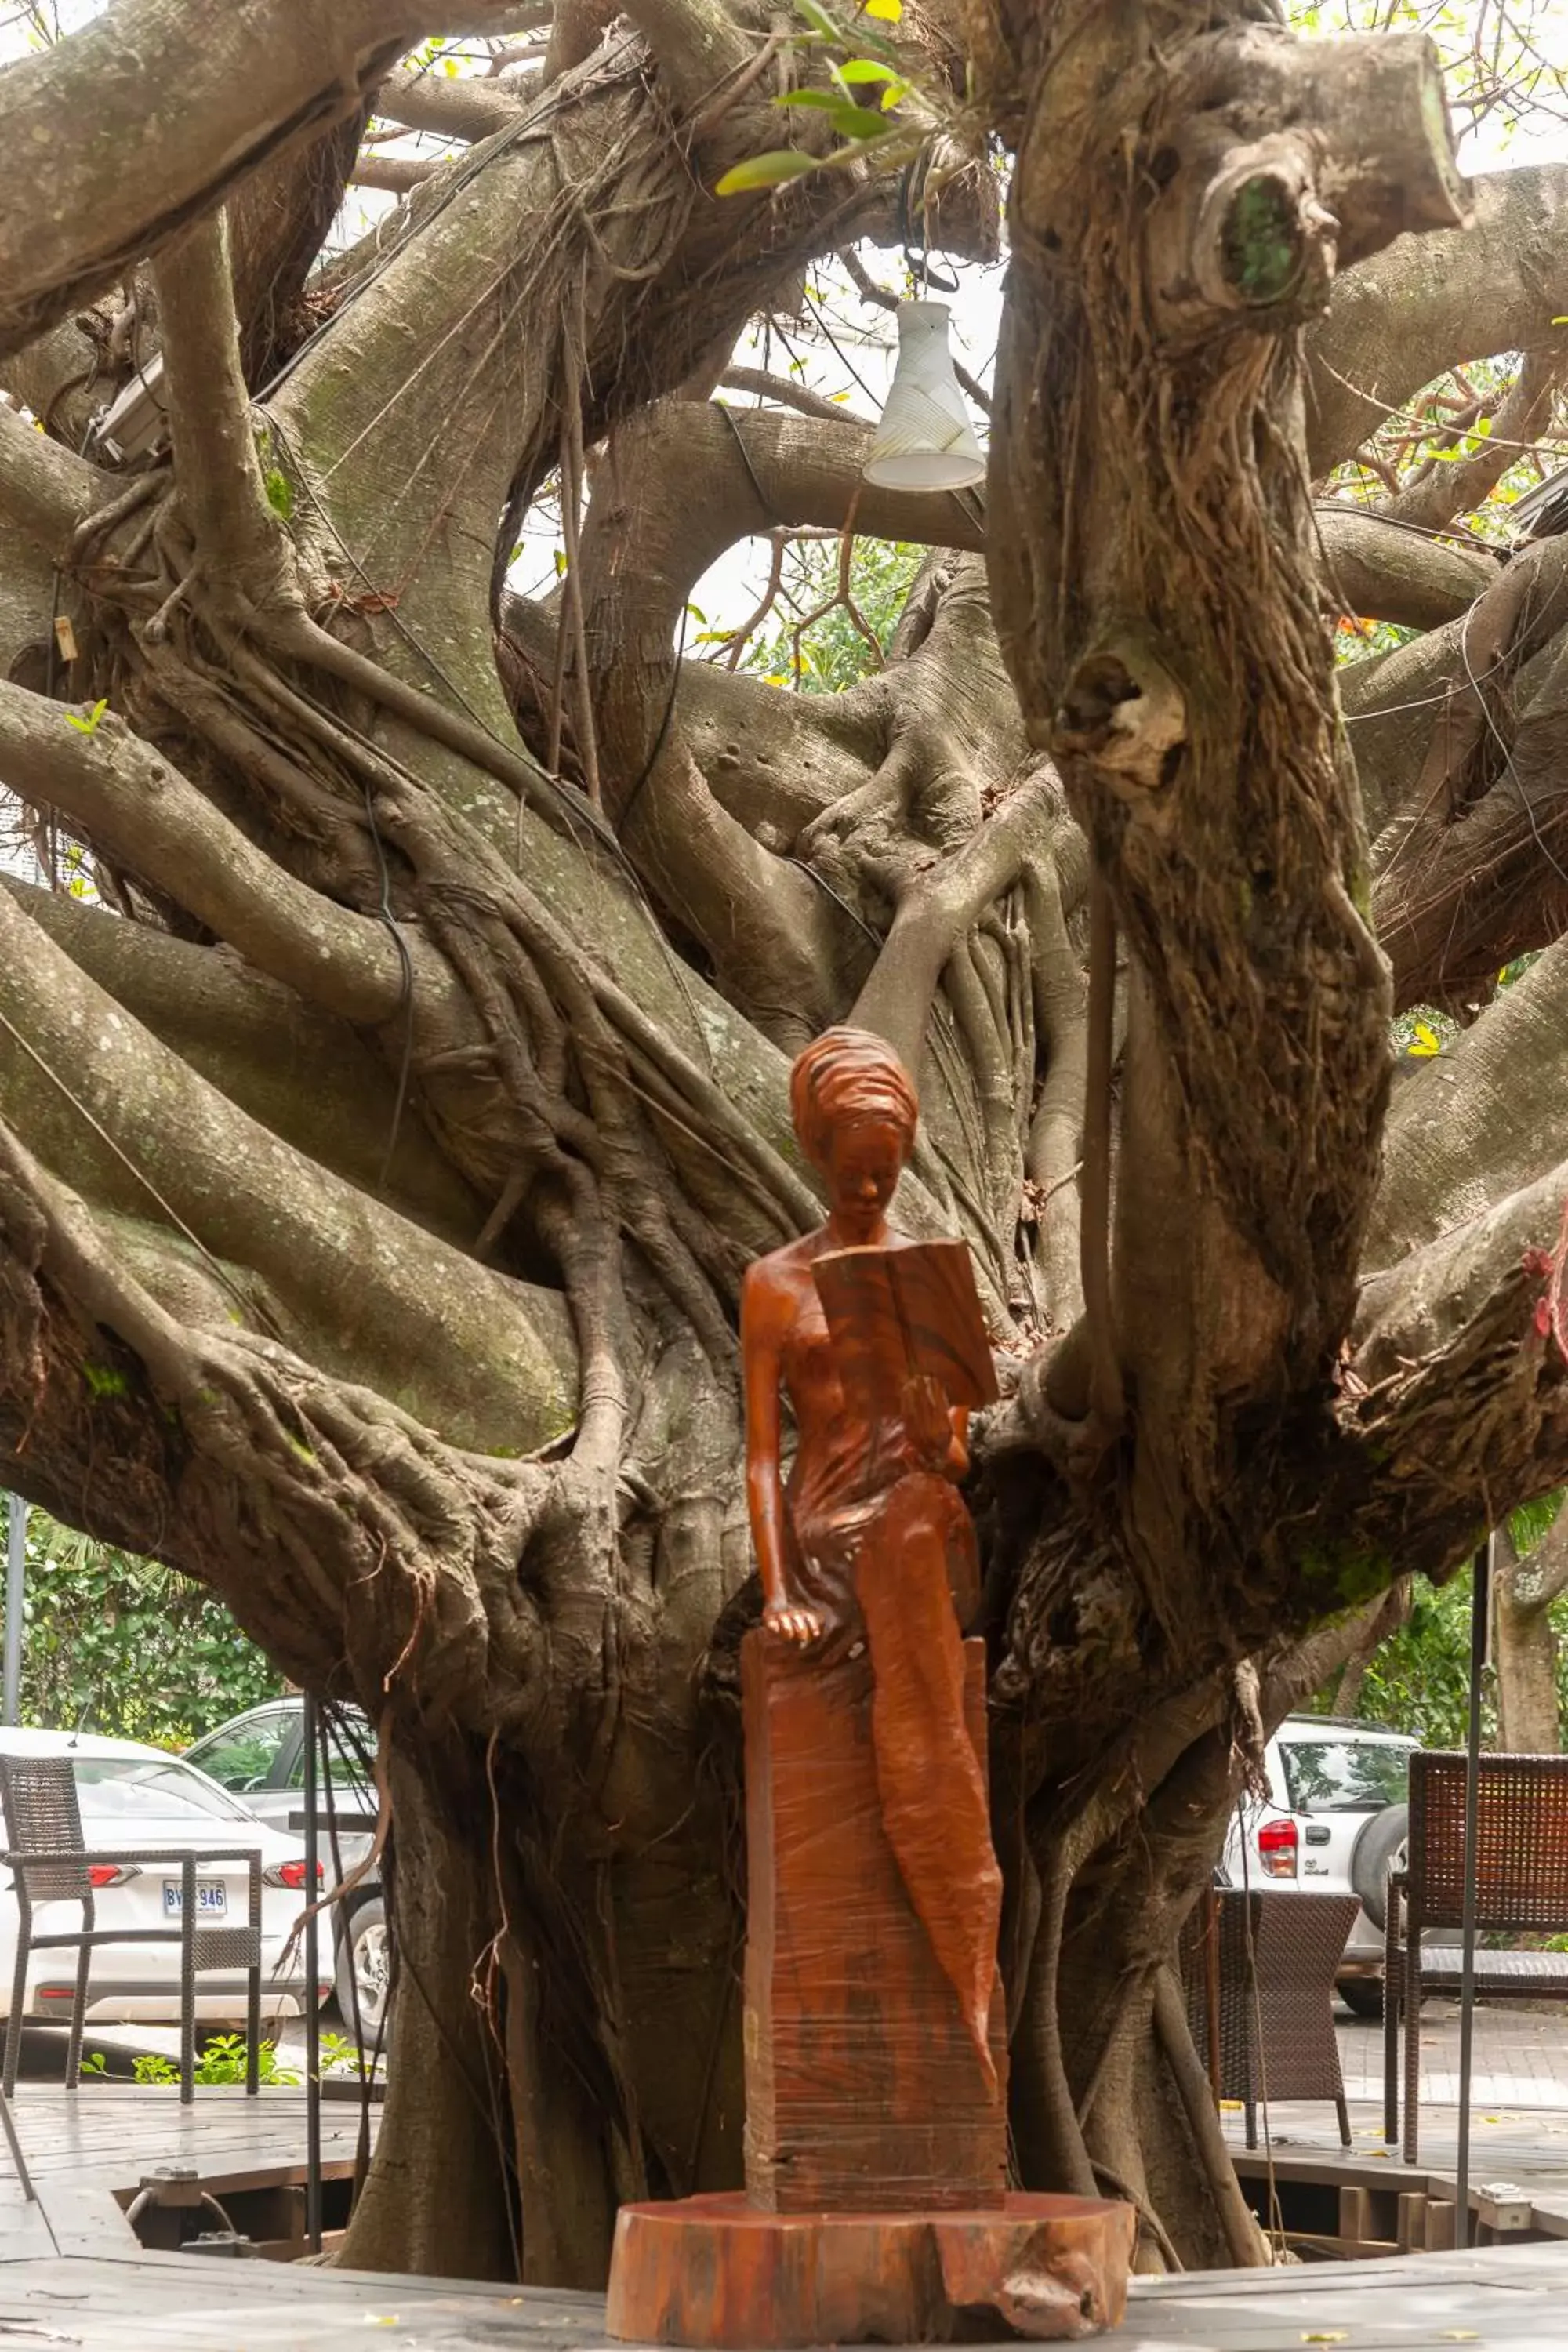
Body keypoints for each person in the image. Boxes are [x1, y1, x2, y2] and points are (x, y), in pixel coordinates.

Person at [740, 1026, 1002, 2085]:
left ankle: (960, 1894)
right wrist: (778, 1590)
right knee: (888, 1542)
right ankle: (957, 1902)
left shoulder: (929, 1274)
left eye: (885, 1168)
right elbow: (763, 1459)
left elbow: (956, 1460)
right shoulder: (775, 1284)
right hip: (823, 1529)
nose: (868, 1183)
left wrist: (938, 1422)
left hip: (919, 1516)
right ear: (815, 1148)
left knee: (915, 1522)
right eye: (850, 1166)